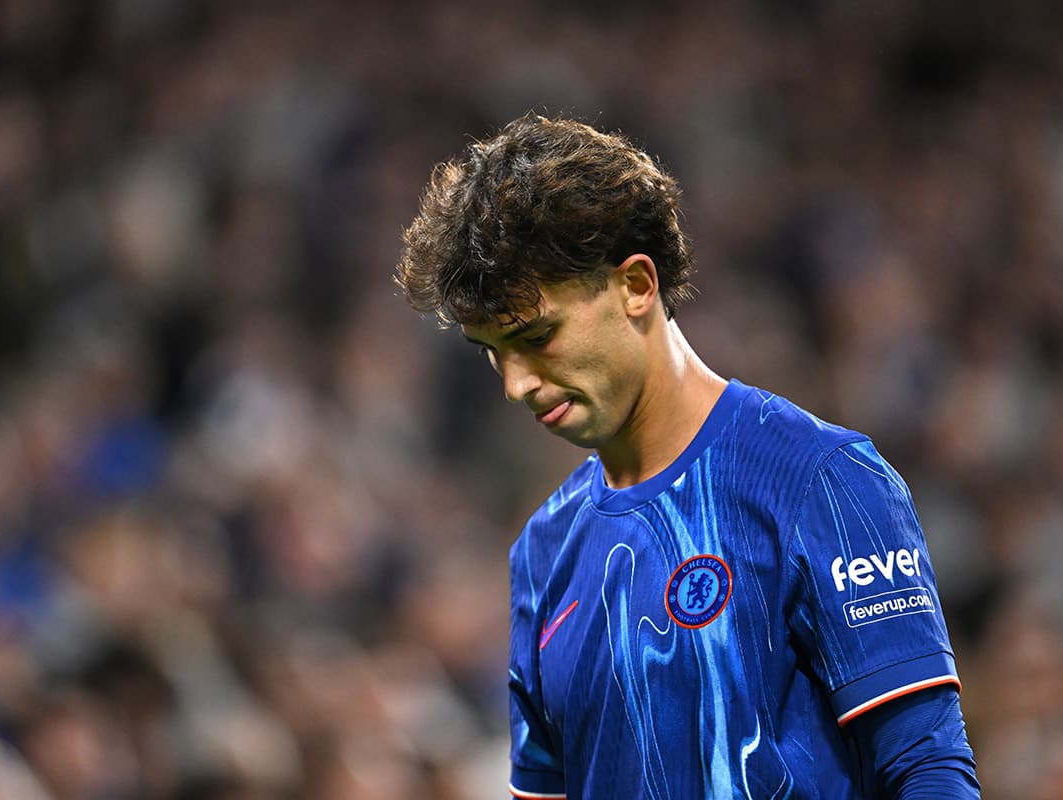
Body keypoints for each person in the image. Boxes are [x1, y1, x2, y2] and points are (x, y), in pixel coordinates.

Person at [395, 114, 980, 799]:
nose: (515, 385)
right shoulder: (542, 553)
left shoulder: (819, 480)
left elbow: (927, 767)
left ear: (636, 286)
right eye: (493, 351)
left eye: (536, 336)